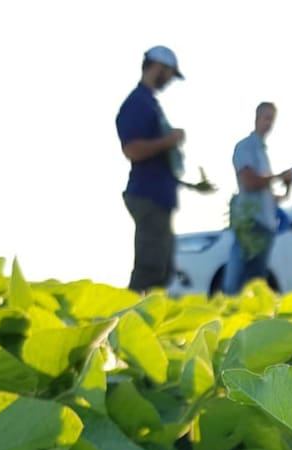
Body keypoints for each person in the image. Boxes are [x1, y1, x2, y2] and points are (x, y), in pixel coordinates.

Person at [115, 45, 212, 292]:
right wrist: (169, 141)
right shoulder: (138, 103)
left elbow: (158, 164)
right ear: (159, 67)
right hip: (147, 196)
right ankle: (125, 323)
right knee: (150, 268)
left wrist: (192, 185)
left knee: (162, 270)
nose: (170, 80)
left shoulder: (149, 103)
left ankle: (145, 323)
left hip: (158, 195)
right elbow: (132, 150)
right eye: (170, 73)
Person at [222, 103, 292, 295]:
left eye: (272, 119)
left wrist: (286, 188)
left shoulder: (263, 152)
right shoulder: (246, 147)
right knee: (237, 279)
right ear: (257, 118)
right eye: (267, 118)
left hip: (265, 223)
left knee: (255, 282)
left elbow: (264, 193)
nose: (270, 123)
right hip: (250, 222)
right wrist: (279, 177)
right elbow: (249, 181)